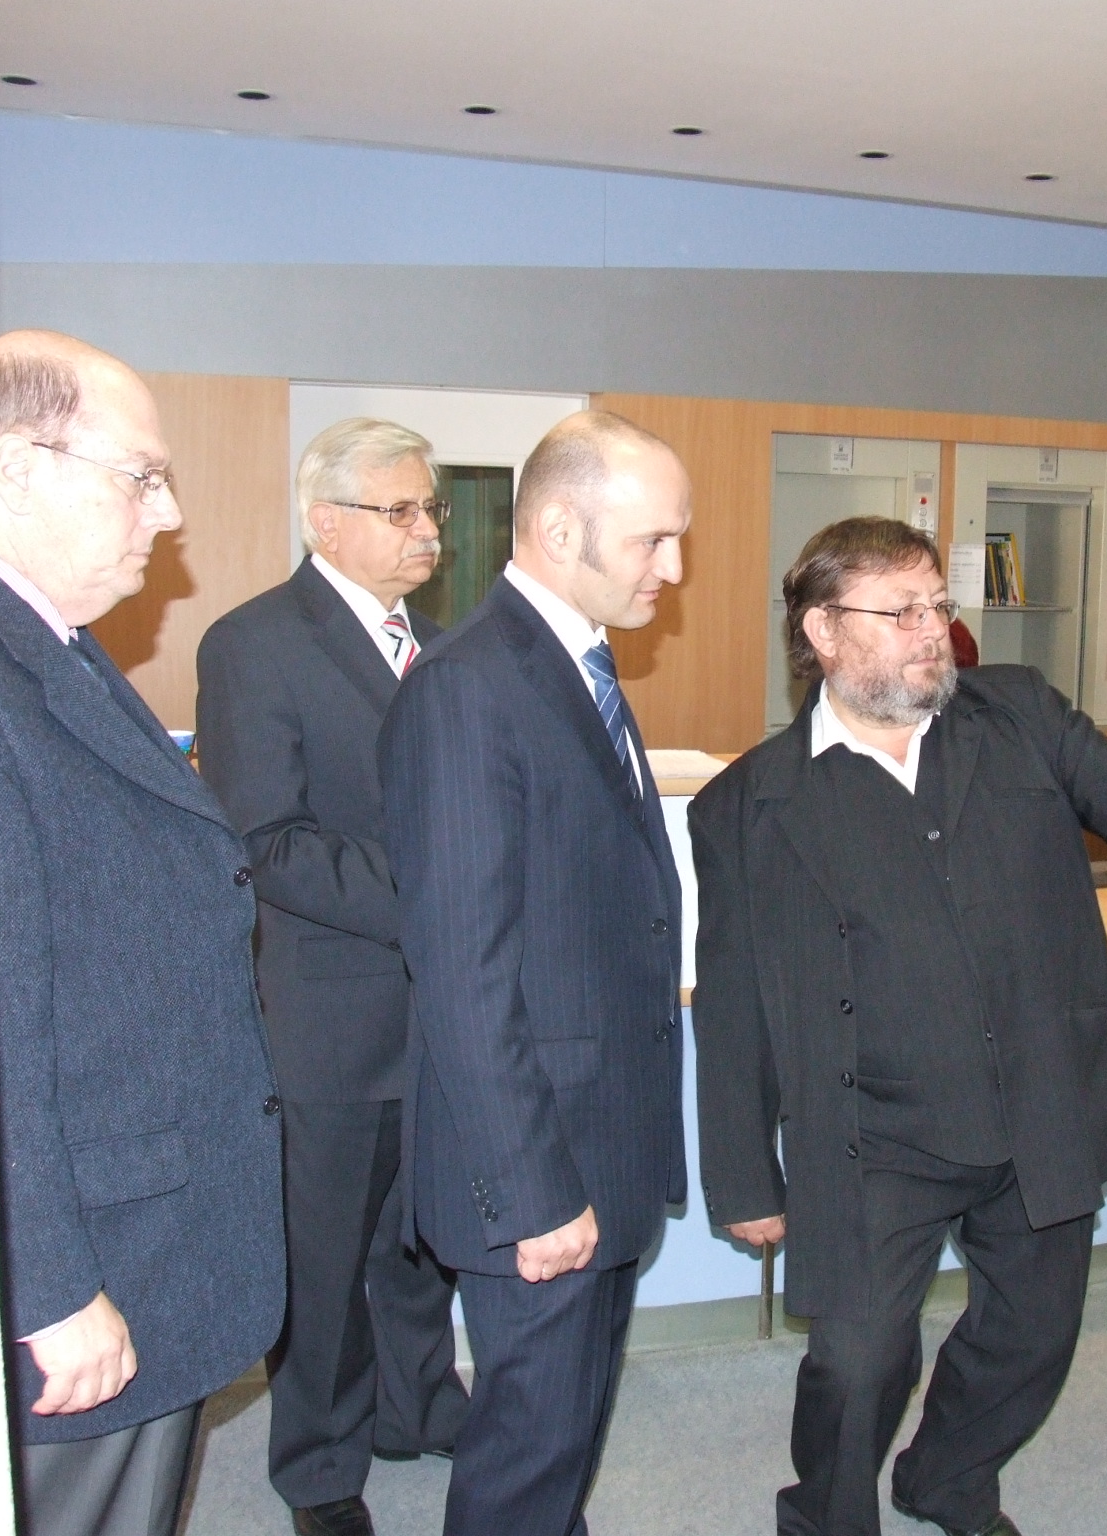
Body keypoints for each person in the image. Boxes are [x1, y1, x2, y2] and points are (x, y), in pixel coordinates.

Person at [690, 517, 1107, 1536]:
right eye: (900, 610)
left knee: (1034, 1334)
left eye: (937, 605)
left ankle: (945, 1479)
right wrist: (742, 1173)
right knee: (858, 1363)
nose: (932, 630)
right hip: (875, 1134)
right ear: (821, 630)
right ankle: (824, 1518)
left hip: (1037, 1096)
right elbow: (733, 996)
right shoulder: (748, 804)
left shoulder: (1017, 715)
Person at [0, 330, 286, 1536]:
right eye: (140, 476)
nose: (170, 512)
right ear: (18, 468)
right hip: (86, 1266)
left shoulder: (52, 647)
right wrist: (46, 1288)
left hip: (145, 1235)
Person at [379, 410, 691, 1536]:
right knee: (525, 1463)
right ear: (560, 529)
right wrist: (535, 1193)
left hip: (597, 1142)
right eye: (653, 540)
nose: (673, 568)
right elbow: (462, 972)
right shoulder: (469, 685)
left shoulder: (573, 661)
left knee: (559, 1450)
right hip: (538, 1168)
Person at [196, 418, 471, 1536]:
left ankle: (417, 1406)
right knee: (322, 1259)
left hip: (441, 1014)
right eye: (398, 510)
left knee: (423, 1239)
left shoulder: (445, 647)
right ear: (325, 522)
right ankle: (317, 1468)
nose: (426, 532)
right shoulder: (253, 643)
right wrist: (440, 896)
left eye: (430, 510)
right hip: (329, 1017)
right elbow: (266, 841)